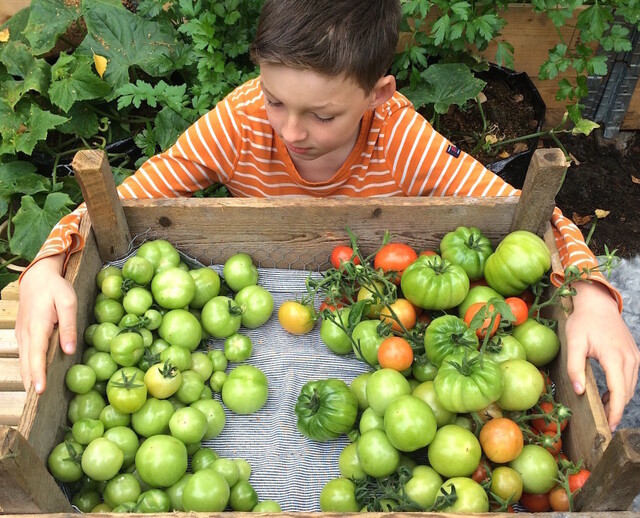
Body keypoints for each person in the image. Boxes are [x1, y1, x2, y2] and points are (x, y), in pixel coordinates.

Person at [16, 0, 639, 432]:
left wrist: (590, 291)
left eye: (323, 115)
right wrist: (49, 262)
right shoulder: (240, 122)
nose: (291, 131)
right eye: (276, 100)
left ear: (378, 96)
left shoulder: (402, 139)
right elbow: (123, 201)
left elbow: (526, 216)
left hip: (373, 307)